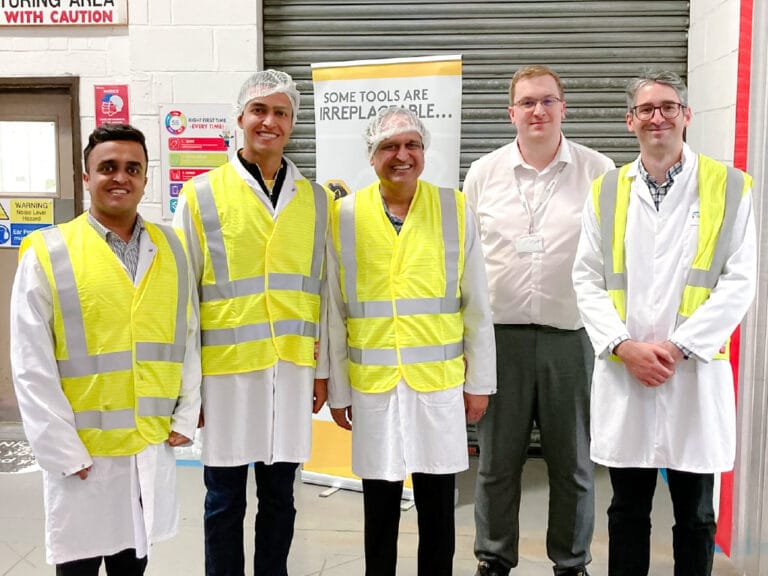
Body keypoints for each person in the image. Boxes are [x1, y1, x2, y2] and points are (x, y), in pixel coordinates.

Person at [572, 70, 757, 575]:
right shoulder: (606, 190)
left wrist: (678, 347)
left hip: (692, 373)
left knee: (695, 516)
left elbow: (740, 281)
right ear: (630, 121)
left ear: (686, 115)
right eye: (646, 109)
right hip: (625, 371)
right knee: (626, 511)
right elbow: (585, 277)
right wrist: (622, 346)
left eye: (668, 107)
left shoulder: (729, 187)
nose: (658, 117)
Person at [10, 123, 201, 575]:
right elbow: (31, 365)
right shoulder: (49, 252)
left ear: (146, 178)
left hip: (146, 445)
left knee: (132, 563)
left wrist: (186, 413)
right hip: (83, 455)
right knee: (77, 566)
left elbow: (188, 335)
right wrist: (60, 449)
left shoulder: (171, 249)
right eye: (108, 167)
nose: (120, 177)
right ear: (86, 177)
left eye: (132, 168)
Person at [172, 69, 332, 576]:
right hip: (225, 375)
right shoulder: (201, 194)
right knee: (224, 500)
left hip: (289, 373)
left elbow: (324, 292)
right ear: (239, 118)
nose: (269, 121)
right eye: (259, 110)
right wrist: (187, 390)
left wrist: (323, 372)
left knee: (280, 497)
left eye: (281, 112)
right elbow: (182, 302)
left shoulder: (316, 199)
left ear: (292, 124)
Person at [327, 106, 497, 576]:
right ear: (371, 156)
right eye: (389, 146)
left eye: (412, 145)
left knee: (438, 509)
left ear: (424, 151)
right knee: (379, 509)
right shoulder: (344, 216)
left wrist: (479, 383)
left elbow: (477, 304)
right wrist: (338, 390)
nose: (402, 155)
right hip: (374, 386)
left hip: (437, 386)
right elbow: (334, 312)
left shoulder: (454, 208)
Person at [463, 65, 614, 576]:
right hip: (499, 339)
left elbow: (615, 257)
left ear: (563, 108)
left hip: (571, 339)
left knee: (573, 463)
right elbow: (467, 259)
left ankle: (571, 563)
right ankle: (493, 557)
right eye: (527, 102)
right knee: (496, 463)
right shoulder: (483, 174)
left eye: (548, 100)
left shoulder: (598, 171)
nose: (538, 111)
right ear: (511, 113)